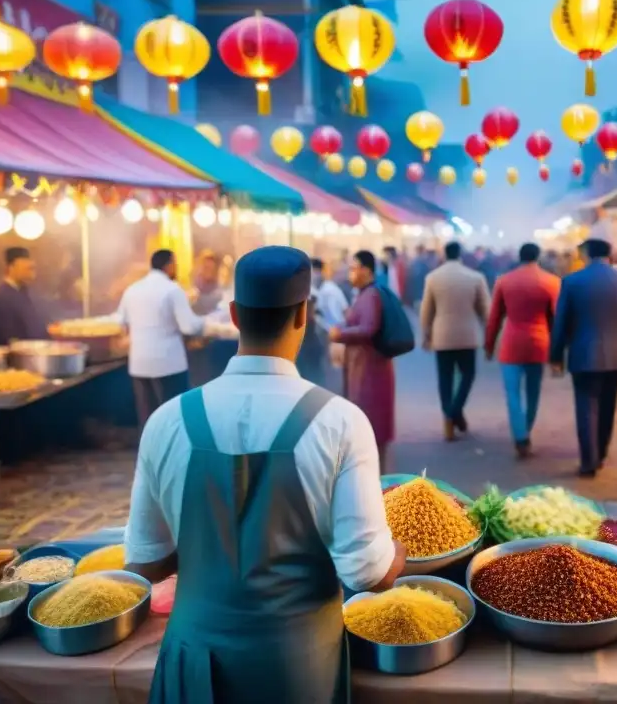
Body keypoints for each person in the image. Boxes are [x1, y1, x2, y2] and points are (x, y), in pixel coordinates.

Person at [125, 245, 405, 704]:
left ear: (234, 315)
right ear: (303, 315)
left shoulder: (167, 420)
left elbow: (144, 561)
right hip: (297, 668)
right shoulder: (340, 421)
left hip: (194, 660)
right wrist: (398, 551)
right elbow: (368, 572)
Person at [550, 239, 617, 477]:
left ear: (586, 254)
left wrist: (555, 355)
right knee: (608, 405)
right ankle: (602, 453)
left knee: (586, 406)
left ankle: (588, 461)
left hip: (582, 354)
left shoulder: (572, 281)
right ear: (610, 253)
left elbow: (561, 322)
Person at [485, 242, 561, 456]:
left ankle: (520, 436)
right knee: (533, 391)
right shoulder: (552, 282)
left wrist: (489, 345)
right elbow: (557, 320)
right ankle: (525, 428)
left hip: (511, 343)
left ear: (519, 257)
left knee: (512, 393)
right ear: (538, 256)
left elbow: (494, 318)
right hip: (539, 342)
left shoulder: (504, 281)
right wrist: (558, 353)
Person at [118, 250, 205, 429]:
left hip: (140, 364)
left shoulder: (132, 290)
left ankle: (150, 454)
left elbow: (121, 321)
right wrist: (205, 323)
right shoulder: (173, 290)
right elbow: (188, 326)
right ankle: (173, 453)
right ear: (170, 265)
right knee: (173, 417)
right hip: (169, 364)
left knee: (148, 419)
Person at [332, 251, 397, 468]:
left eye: (354, 267)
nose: (351, 272)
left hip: (370, 369)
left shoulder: (370, 296)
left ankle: (375, 474)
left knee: (369, 418)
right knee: (367, 417)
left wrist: (339, 334)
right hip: (364, 366)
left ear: (366, 270)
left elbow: (369, 328)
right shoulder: (365, 294)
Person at [420, 242, 490, 441]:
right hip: (468, 336)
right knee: (468, 375)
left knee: (445, 379)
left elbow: (426, 311)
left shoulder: (433, 278)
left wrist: (425, 334)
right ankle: (455, 412)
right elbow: (486, 310)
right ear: (461, 255)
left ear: (444, 254)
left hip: (442, 336)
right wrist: (490, 336)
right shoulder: (476, 277)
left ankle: (449, 418)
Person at [0, 247, 49, 347]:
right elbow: (8, 337)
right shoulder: (0, 298)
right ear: (11, 268)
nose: (31, 272)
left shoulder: (28, 293)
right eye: (27, 268)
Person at [311, 258, 349, 333]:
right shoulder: (313, 290)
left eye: (312, 272)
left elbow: (344, 313)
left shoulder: (331, 290)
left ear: (318, 271)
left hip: (336, 332)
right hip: (325, 333)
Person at [189, 250, 224, 316]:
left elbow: (217, 300)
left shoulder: (218, 285)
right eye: (206, 267)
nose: (208, 270)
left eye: (210, 268)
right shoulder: (197, 281)